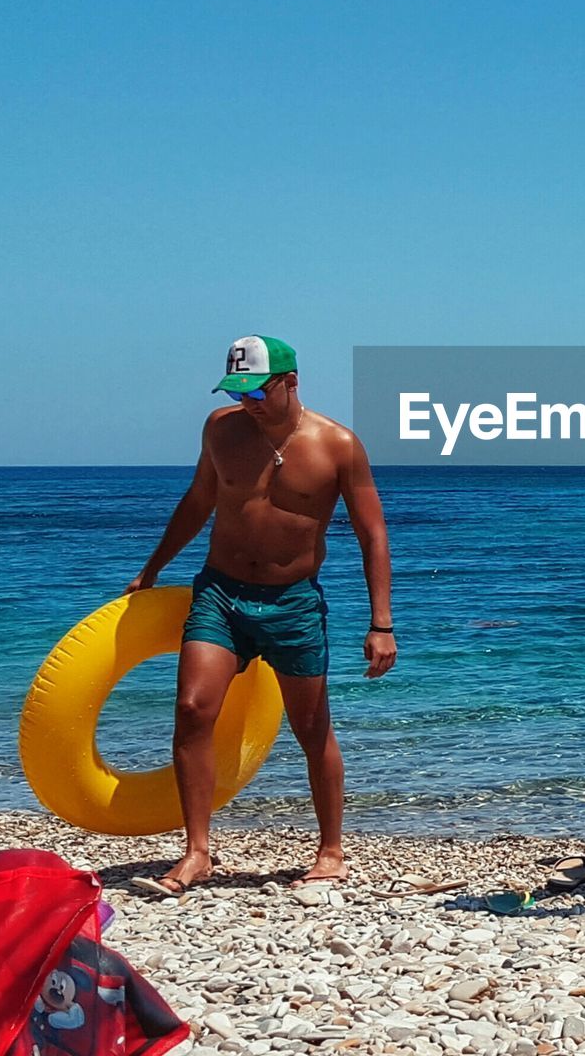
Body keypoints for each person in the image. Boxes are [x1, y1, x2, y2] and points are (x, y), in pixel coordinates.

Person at [126, 335, 396, 892]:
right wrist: (152, 569)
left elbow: (373, 534)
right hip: (219, 593)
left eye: (257, 389)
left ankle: (330, 851)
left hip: (292, 601)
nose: (247, 400)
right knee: (193, 709)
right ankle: (197, 853)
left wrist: (381, 623)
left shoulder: (337, 445)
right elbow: (199, 500)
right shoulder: (220, 429)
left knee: (311, 727)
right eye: (237, 389)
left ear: (291, 381)